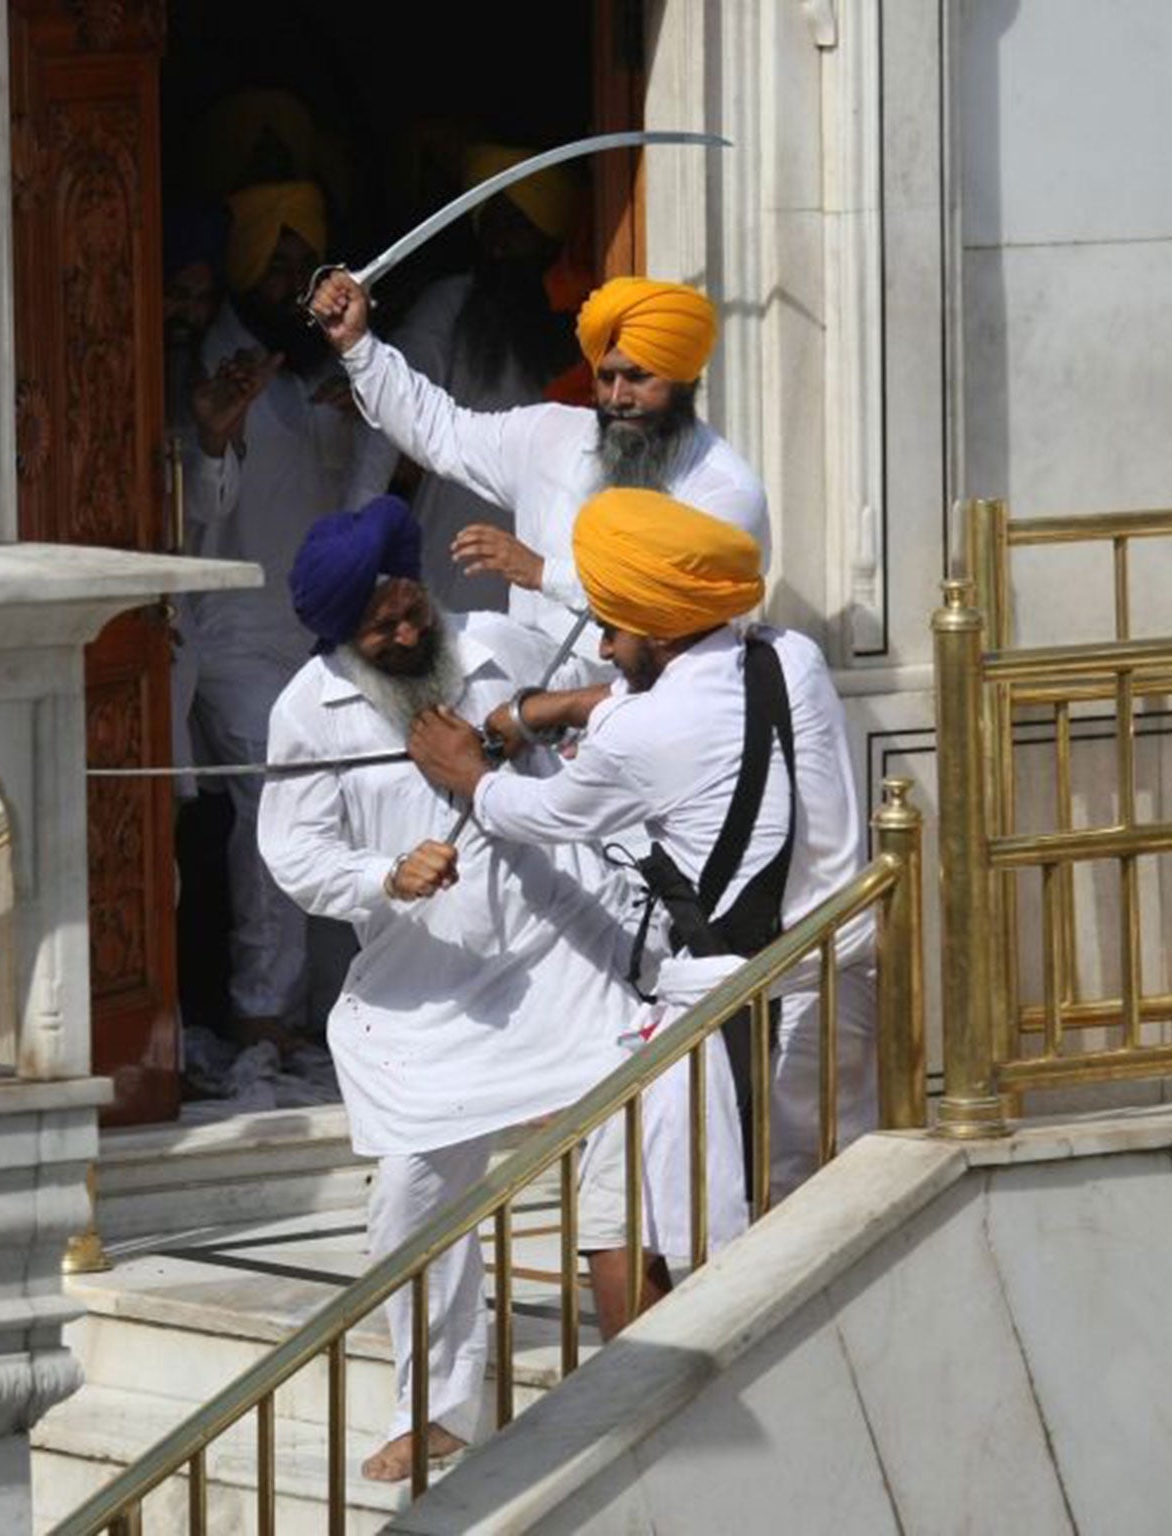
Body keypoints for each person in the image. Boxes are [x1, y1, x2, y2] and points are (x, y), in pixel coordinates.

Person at [256, 496, 654, 1480]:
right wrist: (382, 878)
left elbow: (625, 707)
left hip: (564, 952)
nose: (402, 632)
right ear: (341, 635)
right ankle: (434, 1408)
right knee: (408, 1197)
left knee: (624, 1154)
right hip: (425, 988)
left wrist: (535, 728)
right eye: (378, 626)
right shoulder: (307, 711)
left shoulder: (500, 645)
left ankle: (649, 1374)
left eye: (408, 609)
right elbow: (293, 851)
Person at [407, 487, 880, 1212]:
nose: (601, 648)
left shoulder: (642, 735)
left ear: (661, 634)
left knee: (761, 1219)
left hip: (763, 1012)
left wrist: (465, 771)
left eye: (611, 630)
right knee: (846, 1200)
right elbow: (684, 706)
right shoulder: (794, 656)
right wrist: (555, 707)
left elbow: (534, 812)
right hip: (848, 979)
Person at [308, 266, 770, 668]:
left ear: (685, 382)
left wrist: (542, 573)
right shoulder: (551, 435)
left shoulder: (724, 487)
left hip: (652, 719)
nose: (617, 398)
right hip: (532, 714)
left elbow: (673, 593)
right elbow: (440, 431)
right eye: (606, 377)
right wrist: (357, 345)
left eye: (638, 378)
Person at [175, 178, 368, 1054]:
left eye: (306, 264)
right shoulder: (211, 358)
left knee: (348, 805)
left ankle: (333, 1011)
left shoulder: (323, 364)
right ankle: (260, 1013)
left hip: (318, 635)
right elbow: (199, 514)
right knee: (273, 811)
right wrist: (216, 433)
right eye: (276, 263)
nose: (292, 281)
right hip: (230, 636)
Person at [344, 145, 588, 615]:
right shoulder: (452, 304)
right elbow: (393, 407)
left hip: (560, 550)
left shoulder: (584, 315)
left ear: (549, 232)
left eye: (517, 227)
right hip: (459, 549)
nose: (499, 245)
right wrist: (358, 536)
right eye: (491, 228)